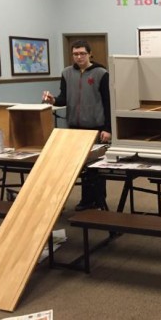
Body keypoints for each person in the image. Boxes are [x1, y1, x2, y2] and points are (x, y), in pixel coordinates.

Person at [42, 40, 111, 211]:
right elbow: (64, 98)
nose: (79, 57)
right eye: (75, 54)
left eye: (82, 53)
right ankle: (87, 200)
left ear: (89, 54)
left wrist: (108, 128)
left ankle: (97, 201)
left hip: (95, 127)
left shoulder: (101, 73)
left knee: (96, 167)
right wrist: (54, 100)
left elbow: (108, 103)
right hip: (74, 128)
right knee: (80, 166)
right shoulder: (66, 73)